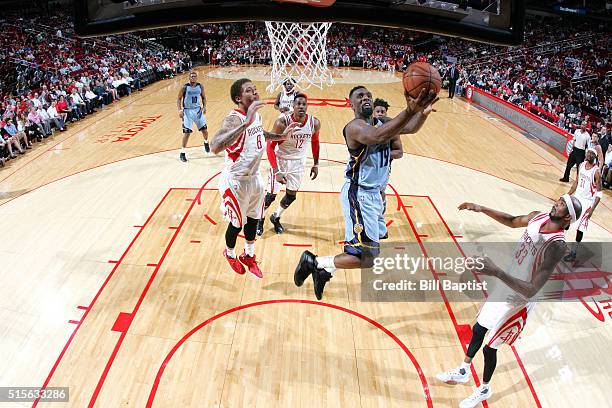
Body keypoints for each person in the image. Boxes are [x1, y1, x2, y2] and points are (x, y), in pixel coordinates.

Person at [436, 195, 582, 408]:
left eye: (561, 205)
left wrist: (496, 271)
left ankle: (484, 389)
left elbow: (532, 289)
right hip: (507, 283)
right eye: (558, 201)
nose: (555, 204)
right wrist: (480, 207)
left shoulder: (556, 246)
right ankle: (463, 370)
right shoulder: (538, 217)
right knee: (478, 329)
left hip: (520, 299)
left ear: (568, 216)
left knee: (489, 348)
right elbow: (512, 220)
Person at [293, 86, 438, 299]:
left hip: (375, 194)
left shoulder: (384, 122)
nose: (366, 98)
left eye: (368, 95)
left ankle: (325, 270)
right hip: (358, 194)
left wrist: (422, 113)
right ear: (351, 104)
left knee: (369, 249)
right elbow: (378, 136)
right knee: (368, 257)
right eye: (359, 97)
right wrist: (409, 110)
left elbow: (410, 128)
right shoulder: (354, 127)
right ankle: (314, 262)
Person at [210, 78, 297, 278]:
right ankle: (230, 253)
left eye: (255, 89)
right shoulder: (234, 119)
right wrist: (246, 122)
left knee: (254, 219)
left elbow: (260, 134)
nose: (255, 92)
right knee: (236, 224)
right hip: (236, 180)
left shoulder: (255, 117)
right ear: (238, 98)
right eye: (250, 90)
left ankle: (248, 255)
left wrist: (280, 136)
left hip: (254, 178)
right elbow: (215, 146)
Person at [257, 93, 321, 235]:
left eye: (304, 104)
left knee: (291, 196)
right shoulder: (282, 122)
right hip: (281, 161)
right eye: (298, 104)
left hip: (298, 163)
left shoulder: (314, 123)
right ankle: (260, 218)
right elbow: (270, 147)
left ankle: (276, 217)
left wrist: (316, 164)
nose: (301, 107)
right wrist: (276, 170)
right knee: (270, 196)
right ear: (293, 105)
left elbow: (315, 143)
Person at [563, 148, 603, 262]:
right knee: (567, 219)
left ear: (594, 157)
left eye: (592, 154)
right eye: (588, 152)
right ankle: (560, 243)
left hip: (587, 202)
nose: (589, 154)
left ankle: (573, 253)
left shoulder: (596, 172)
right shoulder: (581, 165)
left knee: (580, 228)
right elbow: (576, 181)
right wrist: (568, 194)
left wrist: (592, 210)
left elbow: (599, 194)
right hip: (577, 198)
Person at [373, 98, 403, 239]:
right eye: (377, 111)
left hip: (384, 168)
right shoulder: (366, 128)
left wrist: (384, 154)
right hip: (367, 168)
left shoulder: (392, 131)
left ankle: (380, 222)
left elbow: (399, 152)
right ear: (373, 113)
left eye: (382, 112)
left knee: (379, 193)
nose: (380, 114)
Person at [177, 71, 209, 162]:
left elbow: (203, 97)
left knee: (205, 130)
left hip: (198, 110)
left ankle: (206, 142)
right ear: (189, 77)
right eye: (192, 76)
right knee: (187, 133)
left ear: (197, 78)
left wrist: (204, 107)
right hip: (187, 111)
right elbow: (179, 99)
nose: (193, 77)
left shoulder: (200, 86)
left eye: (195, 76)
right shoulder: (185, 87)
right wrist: (179, 110)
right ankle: (182, 153)